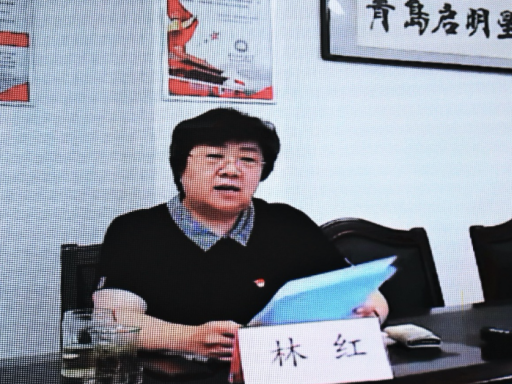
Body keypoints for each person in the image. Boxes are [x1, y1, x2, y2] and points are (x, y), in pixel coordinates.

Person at [94, 108, 389, 361]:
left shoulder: (288, 222)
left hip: (285, 375)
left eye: (248, 160)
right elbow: (112, 320)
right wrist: (188, 338)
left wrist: (367, 313)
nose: (231, 171)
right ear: (181, 168)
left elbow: (363, 293)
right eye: (214, 157)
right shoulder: (135, 230)